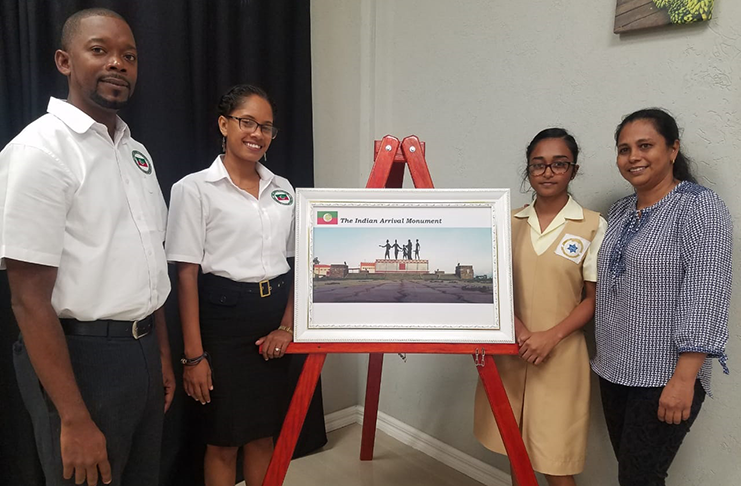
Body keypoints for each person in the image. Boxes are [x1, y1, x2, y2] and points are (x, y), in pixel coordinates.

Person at [0, 8, 175, 486]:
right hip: (80, 362)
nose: (117, 63)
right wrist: (73, 418)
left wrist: (158, 355)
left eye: (129, 55)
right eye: (99, 50)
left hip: (139, 352)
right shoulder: (40, 151)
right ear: (64, 60)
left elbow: (148, 260)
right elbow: (28, 299)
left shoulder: (136, 152)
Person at [592, 108, 732, 486]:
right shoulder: (620, 211)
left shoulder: (698, 206)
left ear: (672, 150)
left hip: (664, 374)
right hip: (614, 369)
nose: (633, 157)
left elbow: (706, 290)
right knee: (633, 473)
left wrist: (684, 378)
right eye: (624, 149)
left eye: (645, 145)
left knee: (640, 478)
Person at [165, 84, 295, 486]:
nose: (257, 133)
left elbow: (296, 266)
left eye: (267, 127)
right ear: (224, 124)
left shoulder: (284, 190)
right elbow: (185, 274)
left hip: (273, 319)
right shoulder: (193, 189)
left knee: (261, 435)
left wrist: (287, 326)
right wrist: (193, 356)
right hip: (221, 323)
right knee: (222, 442)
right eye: (247, 122)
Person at [474, 128, 606, 486]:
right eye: (539, 165)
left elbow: (592, 300)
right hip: (510, 350)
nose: (548, 172)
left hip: (559, 355)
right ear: (528, 170)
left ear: (573, 170)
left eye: (559, 164)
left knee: (554, 460)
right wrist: (518, 330)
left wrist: (550, 336)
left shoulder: (593, 225)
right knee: (516, 452)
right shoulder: (506, 221)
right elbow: (492, 286)